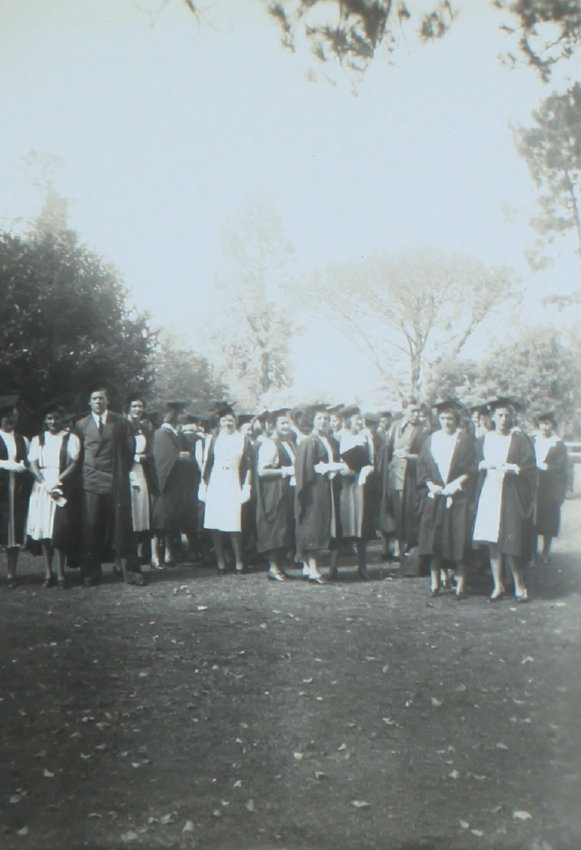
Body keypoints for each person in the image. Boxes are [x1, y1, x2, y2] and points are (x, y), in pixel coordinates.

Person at [75, 388, 145, 586]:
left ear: (108, 401)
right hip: (91, 481)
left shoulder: (121, 422)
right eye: (94, 398)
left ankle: (130, 572)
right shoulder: (81, 425)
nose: (98, 402)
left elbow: (129, 451)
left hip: (115, 480)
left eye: (101, 398)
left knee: (122, 526)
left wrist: (121, 474)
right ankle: (90, 573)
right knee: (90, 527)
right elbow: (77, 455)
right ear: (89, 402)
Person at [472, 398, 536, 602]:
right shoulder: (485, 439)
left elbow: (529, 465)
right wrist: (483, 464)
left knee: (511, 539)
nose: (504, 419)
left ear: (512, 417)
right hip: (490, 491)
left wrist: (514, 468)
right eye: (500, 415)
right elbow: (474, 462)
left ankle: (519, 585)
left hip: (511, 492)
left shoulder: (518, 439)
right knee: (492, 540)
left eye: (507, 415)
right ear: (493, 417)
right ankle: (497, 585)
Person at [417, 400, 476, 599]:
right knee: (435, 541)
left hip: (457, 497)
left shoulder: (464, 439)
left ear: (456, 420)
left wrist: (457, 484)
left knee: (458, 540)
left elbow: (470, 468)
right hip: (435, 497)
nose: (446, 422)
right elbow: (423, 467)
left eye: (450, 418)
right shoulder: (431, 439)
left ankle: (460, 583)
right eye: (443, 418)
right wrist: (430, 484)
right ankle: (435, 582)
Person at [26, 405, 81, 588]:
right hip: (42, 487)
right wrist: (43, 483)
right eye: (49, 418)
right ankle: (48, 573)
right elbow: (33, 464)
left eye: (56, 418)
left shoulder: (70, 438)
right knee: (44, 532)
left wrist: (57, 481)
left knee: (59, 530)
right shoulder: (37, 440)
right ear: (45, 420)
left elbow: (74, 463)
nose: (53, 422)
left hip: (61, 485)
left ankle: (61, 574)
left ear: (62, 419)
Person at [201, 405, 254, 574]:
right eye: (224, 420)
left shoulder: (243, 439)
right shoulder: (213, 438)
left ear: (236, 421)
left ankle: (239, 561)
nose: (227, 423)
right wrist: (204, 485)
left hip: (233, 481)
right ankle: (221, 562)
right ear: (219, 422)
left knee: (234, 524)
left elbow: (248, 466)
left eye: (230, 420)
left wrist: (247, 486)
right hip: (217, 481)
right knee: (215, 524)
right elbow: (206, 463)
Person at [294, 404, 342, 584]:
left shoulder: (329, 440)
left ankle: (308, 566)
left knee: (321, 525)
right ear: (313, 421)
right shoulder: (309, 441)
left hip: (327, 488)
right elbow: (306, 469)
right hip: (313, 489)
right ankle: (313, 569)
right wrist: (324, 469)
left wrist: (336, 468)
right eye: (320, 418)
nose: (323, 422)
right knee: (312, 526)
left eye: (326, 419)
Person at [379, 398, 428, 560]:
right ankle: (396, 546)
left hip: (409, 478)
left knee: (408, 513)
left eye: (418, 411)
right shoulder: (394, 427)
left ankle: (408, 547)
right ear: (404, 410)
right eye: (413, 411)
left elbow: (426, 456)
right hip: (393, 476)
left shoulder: (422, 430)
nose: (416, 414)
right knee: (394, 511)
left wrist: (410, 456)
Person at [151, 401, 198, 567]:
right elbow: (168, 457)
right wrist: (183, 456)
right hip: (165, 483)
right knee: (160, 522)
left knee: (171, 520)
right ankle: (155, 556)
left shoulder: (176, 434)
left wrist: (184, 456)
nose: (183, 416)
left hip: (176, 483)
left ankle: (169, 554)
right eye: (180, 413)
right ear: (173, 415)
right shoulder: (162, 433)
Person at [332, 406, 376, 580]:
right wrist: (341, 468)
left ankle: (362, 565)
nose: (359, 422)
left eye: (361, 419)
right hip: (342, 485)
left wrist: (365, 471)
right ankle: (334, 567)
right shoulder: (337, 437)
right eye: (356, 419)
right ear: (347, 420)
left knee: (361, 525)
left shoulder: (365, 437)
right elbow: (333, 460)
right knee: (341, 523)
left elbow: (371, 462)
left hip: (360, 485)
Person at [255, 409, 296, 581]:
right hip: (274, 489)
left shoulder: (290, 443)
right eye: (282, 423)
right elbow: (262, 471)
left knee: (285, 526)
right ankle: (273, 567)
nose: (286, 426)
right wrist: (285, 471)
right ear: (274, 426)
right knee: (275, 526)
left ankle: (280, 566)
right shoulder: (270, 444)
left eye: (288, 423)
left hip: (287, 489)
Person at [0, 396, 31, 588]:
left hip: (16, 491)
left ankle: (11, 574)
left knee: (13, 534)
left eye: (13, 417)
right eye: (6, 417)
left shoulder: (23, 440)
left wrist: (22, 466)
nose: (10, 420)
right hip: (0, 491)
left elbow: (28, 463)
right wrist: (6, 465)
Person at [533, 411, 568, 565]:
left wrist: (546, 466)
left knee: (548, 521)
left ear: (553, 426)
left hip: (549, 487)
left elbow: (561, 467)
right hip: (534, 485)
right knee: (532, 520)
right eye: (542, 424)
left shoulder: (558, 445)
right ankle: (532, 552)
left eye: (548, 424)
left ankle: (546, 552)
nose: (544, 427)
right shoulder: (534, 440)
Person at [126, 396, 154, 566]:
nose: (137, 409)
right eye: (134, 406)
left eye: (140, 406)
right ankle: (123, 557)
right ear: (128, 408)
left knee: (140, 512)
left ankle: (138, 552)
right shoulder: (121, 426)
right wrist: (131, 458)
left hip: (140, 470)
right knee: (127, 513)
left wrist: (141, 457)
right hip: (126, 472)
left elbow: (151, 453)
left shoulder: (144, 428)